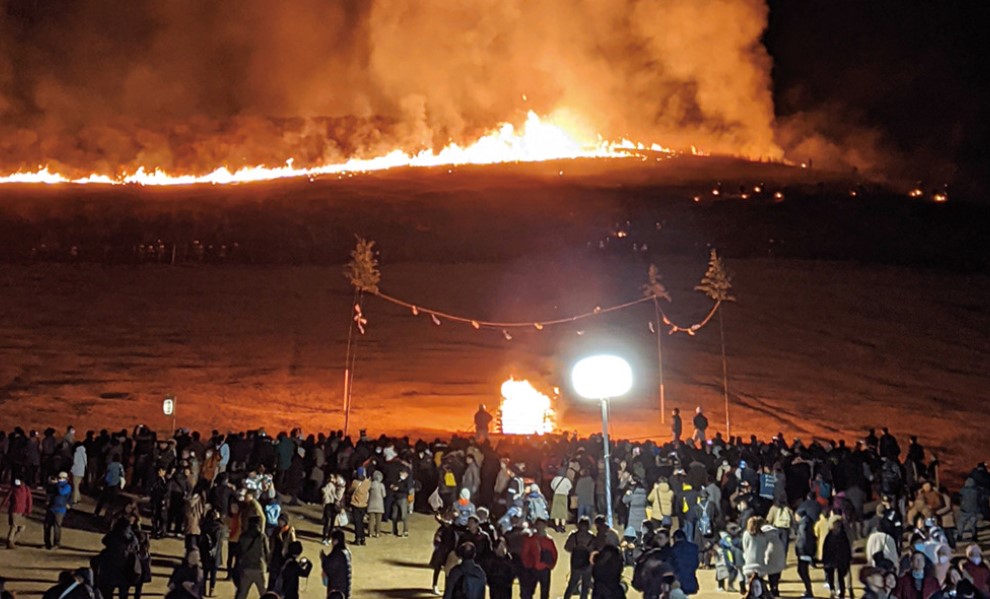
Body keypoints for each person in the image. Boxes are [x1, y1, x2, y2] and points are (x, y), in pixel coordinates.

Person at [521, 518, 558, 599]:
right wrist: (529, 564)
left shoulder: (548, 540)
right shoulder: (531, 539)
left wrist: (550, 565)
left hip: (543, 569)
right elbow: (525, 554)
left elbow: (554, 554)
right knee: (530, 591)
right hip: (534, 569)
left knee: (544, 592)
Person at [234, 516, 269, 599]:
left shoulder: (243, 536)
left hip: (246, 567)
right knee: (264, 594)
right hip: (260, 567)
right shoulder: (262, 537)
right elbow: (267, 552)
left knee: (242, 593)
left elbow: (238, 552)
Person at [563, 516, 595, 599]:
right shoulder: (592, 537)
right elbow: (594, 551)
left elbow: (567, 548)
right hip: (587, 565)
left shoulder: (574, 536)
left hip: (575, 563)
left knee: (572, 584)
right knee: (585, 587)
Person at [822, 519, 852, 599]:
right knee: (831, 576)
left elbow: (846, 549)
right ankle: (833, 590)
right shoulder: (832, 536)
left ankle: (841, 592)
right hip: (832, 559)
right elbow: (825, 548)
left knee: (839, 577)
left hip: (839, 560)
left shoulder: (841, 536)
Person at [199, 510, 224, 597]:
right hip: (215, 553)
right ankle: (211, 590)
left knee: (205, 572)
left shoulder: (204, 526)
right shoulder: (219, 527)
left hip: (205, 552)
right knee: (213, 573)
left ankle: (203, 589)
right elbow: (218, 541)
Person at [321, 529, 352, 599]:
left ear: (336, 541)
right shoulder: (346, 551)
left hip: (337, 589)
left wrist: (323, 559)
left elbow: (329, 569)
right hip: (345, 587)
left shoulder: (337, 554)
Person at [45, 471, 72, 549]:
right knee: (47, 526)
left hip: (60, 509)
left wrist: (57, 484)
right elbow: (48, 492)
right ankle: (47, 543)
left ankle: (56, 543)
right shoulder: (55, 485)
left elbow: (62, 492)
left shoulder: (67, 486)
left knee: (57, 527)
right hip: (51, 507)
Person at [3, 477, 33, 548]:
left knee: (22, 527)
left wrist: (28, 510)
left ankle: (12, 541)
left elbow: (29, 500)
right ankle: (10, 541)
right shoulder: (13, 489)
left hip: (22, 511)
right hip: (14, 510)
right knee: (14, 526)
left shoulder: (26, 489)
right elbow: (6, 498)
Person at [795, 510, 817, 599]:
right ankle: (808, 590)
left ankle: (809, 591)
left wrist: (800, 550)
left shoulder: (803, 525)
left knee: (803, 571)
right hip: (806, 551)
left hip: (804, 551)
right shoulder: (806, 523)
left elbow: (803, 540)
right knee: (803, 571)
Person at [670, 528, 700, 595]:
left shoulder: (672, 550)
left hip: (678, 583)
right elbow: (696, 564)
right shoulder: (694, 547)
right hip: (691, 581)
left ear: (675, 538)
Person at [349, 468, 370, 545]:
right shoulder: (367, 482)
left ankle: (357, 538)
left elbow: (350, 490)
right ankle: (363, 538)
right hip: (364, 504)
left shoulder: (355, 482)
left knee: (357, 522)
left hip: (356, 504)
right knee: (361, 522)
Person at [368, 470, 386, 538]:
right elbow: (384, 495)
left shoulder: (370, 484)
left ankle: (370, 533)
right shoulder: (381, 485)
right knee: (378, 520)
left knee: (371, 520)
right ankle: (378, 533)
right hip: (379, 504)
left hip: (371, 503)